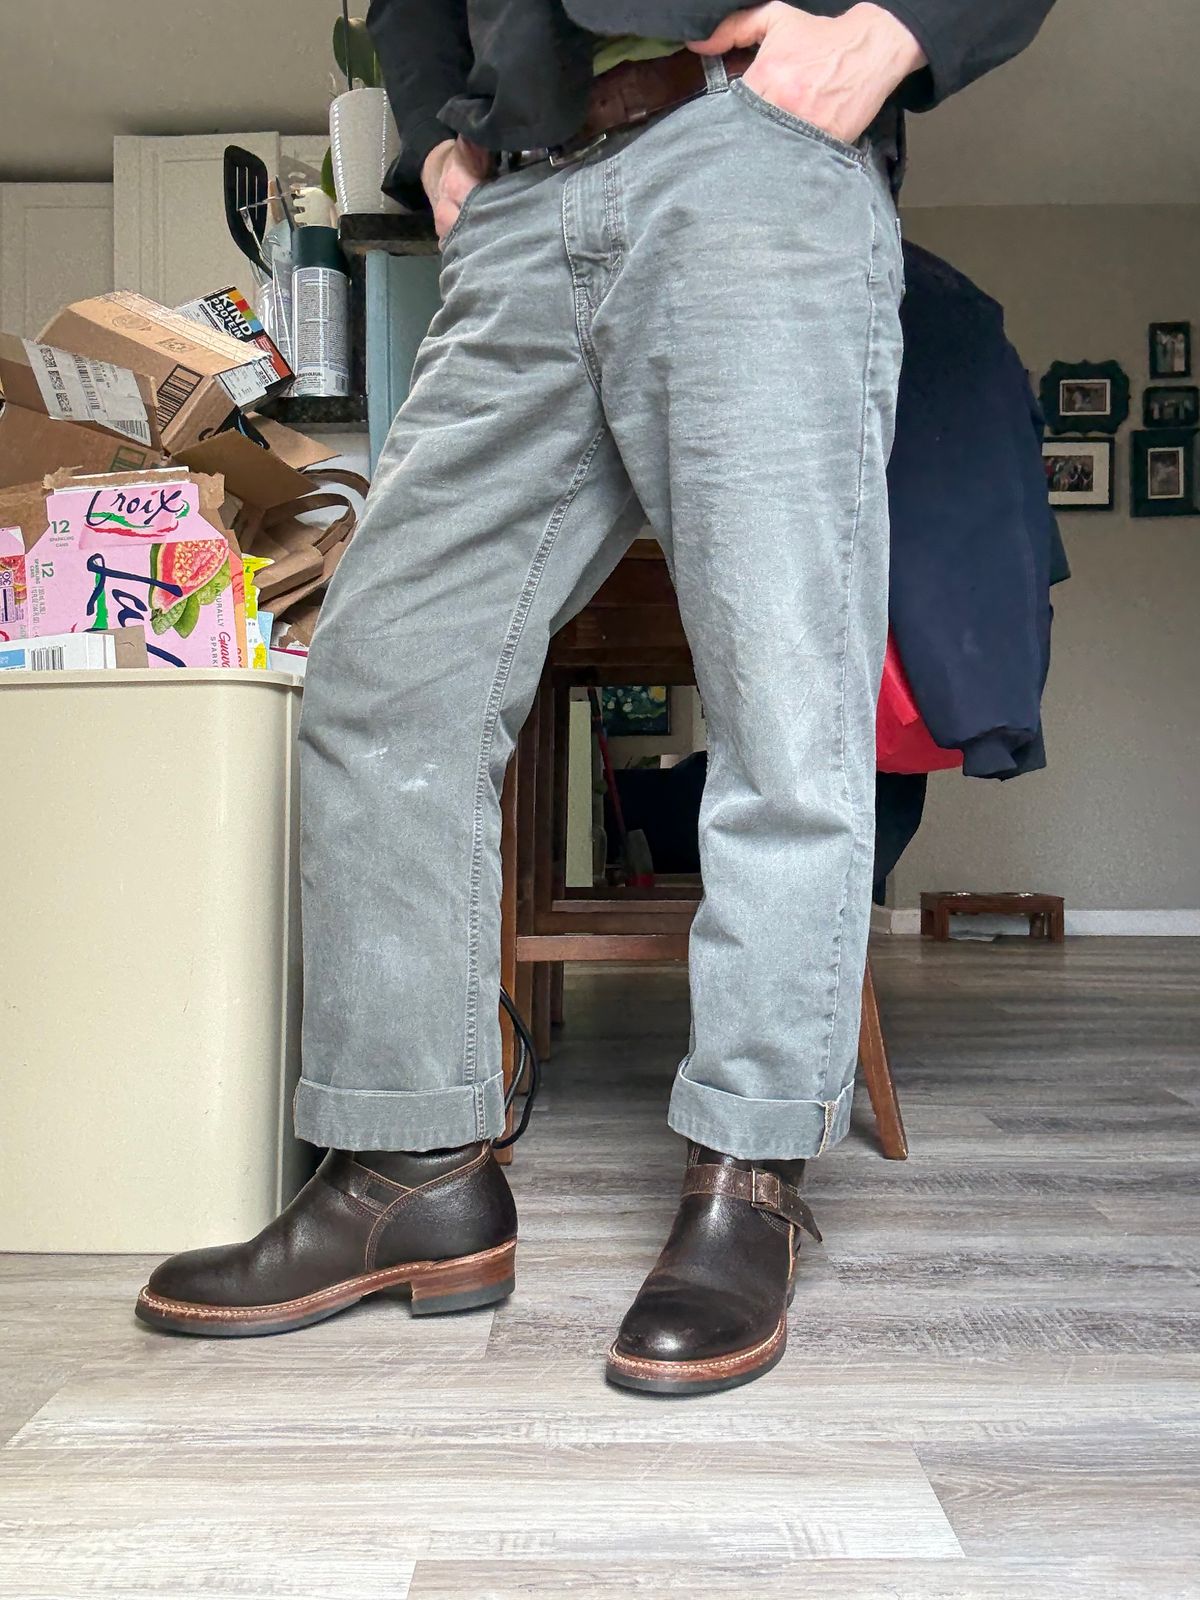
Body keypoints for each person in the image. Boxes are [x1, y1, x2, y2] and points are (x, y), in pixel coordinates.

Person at [137, 0, 1055, 1394]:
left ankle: (749, 1175)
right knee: (386, 676)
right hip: (520, 201)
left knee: (780, 708)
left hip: (749, 148)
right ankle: (408, 1167)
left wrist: (898, 28)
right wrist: (436, 145)